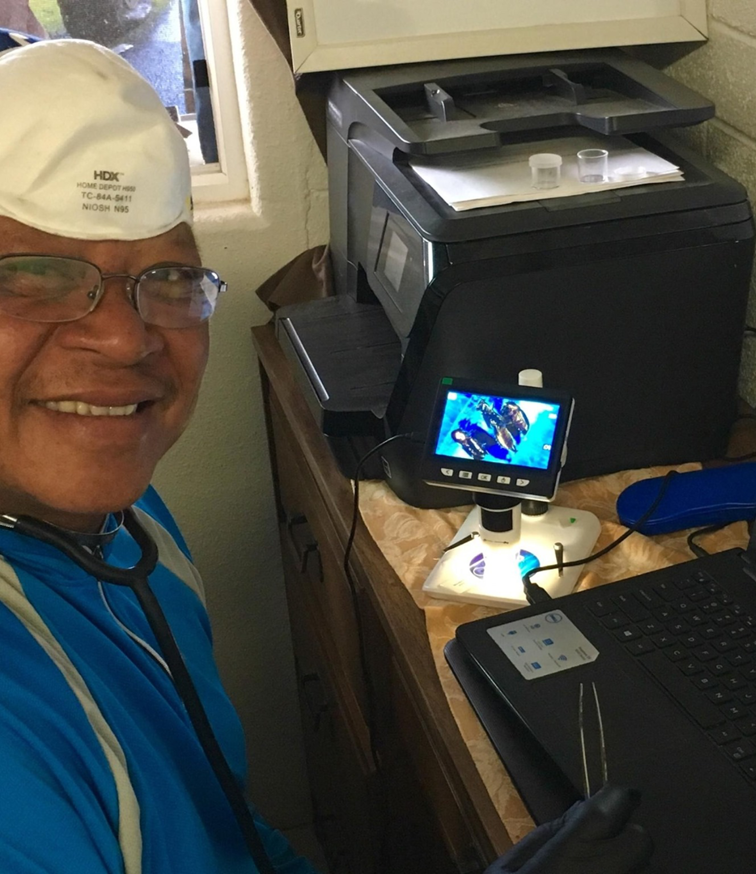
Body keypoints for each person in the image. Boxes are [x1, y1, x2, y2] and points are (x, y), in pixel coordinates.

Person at [0, 38, 652, 874]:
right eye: (33, 276)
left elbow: (225, 832)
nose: (127, 337)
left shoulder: (127, 525)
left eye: (166, 279)